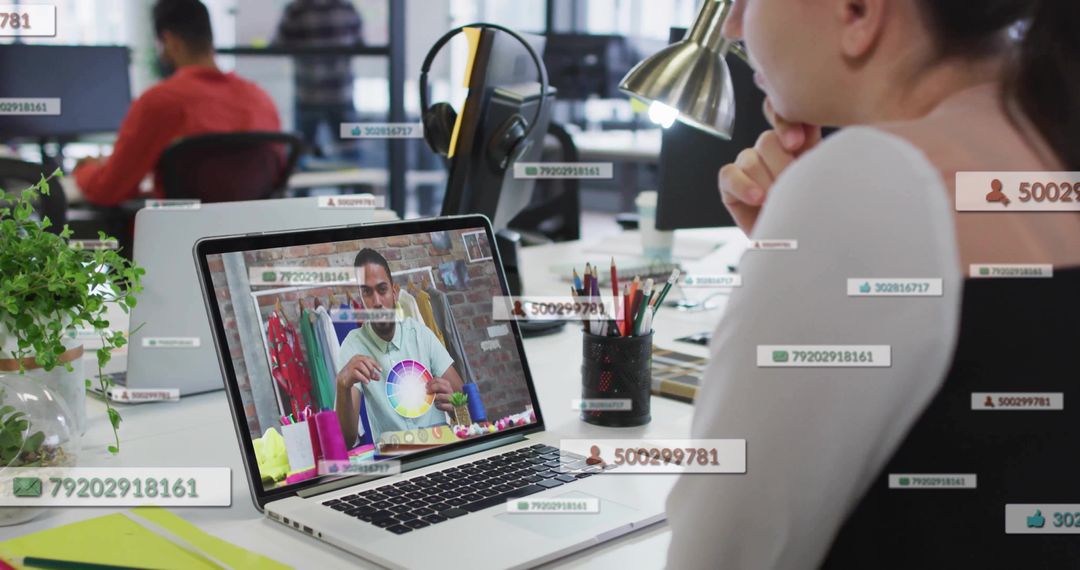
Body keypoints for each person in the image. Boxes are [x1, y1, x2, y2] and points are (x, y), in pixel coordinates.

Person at [666, 0, 1078, 568]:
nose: (733, 28)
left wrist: (816, 229)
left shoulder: (874, 182)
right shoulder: (1050, 144)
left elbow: (719, 554)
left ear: (859, 12)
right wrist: (794, 260)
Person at [73, 0, 281, 206]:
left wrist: (85, 168)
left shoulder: (160, 102)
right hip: (251, 236)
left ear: (169, 40)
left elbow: (108, 189)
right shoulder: (260, 98)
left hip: (175, 237)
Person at [335, 249, 464, 446]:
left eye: (382, 289)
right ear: (360, 297)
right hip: (397, 460)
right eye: (367, 292)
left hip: (440, 449)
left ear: (394, 292)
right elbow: (346, 439)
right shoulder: (353, 346)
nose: (377, 302)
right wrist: (342, 385)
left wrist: (456, 405)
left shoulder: (420, 334)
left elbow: (465, 406)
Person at [274, 0, 363, 160]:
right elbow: (361, 44)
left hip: (309, 93)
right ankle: (356, 184)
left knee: (303, 153)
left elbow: (279, 44)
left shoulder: (297, 10)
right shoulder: (345, 8)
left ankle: (304, 184)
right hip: (340, 92)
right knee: (350, 152)